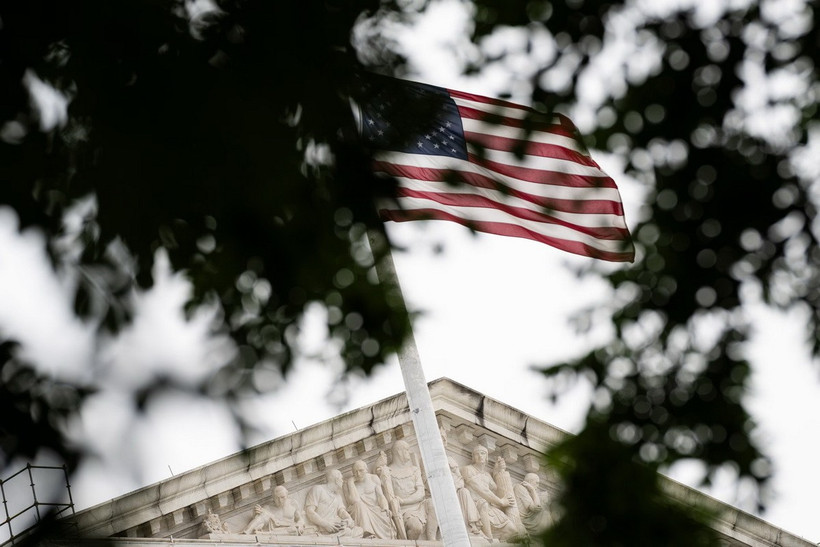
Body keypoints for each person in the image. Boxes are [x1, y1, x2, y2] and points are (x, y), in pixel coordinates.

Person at [376, 440, 437, 540]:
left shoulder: (414, 470)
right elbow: (384, 490)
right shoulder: (388, 472)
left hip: (419, 505)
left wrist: (404, 501)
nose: (409, 452)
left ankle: (432, 540)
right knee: (415, 526)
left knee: (432, 504)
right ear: (399, 452)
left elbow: (421, 493)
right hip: (404, 511)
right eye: (407, 450)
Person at [461, 445, 521, 541]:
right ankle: (489, 539)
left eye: (483, 453)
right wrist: (501, 502)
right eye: (476, 454)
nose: (480, 456)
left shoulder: (487, 475)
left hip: (490, 508)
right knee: (483, 503)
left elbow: (495, 490)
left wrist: (498, 471)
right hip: (475, 505)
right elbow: (481, 490)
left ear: (487, 457)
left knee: (513, 531)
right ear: (473, 457)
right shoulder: (467, 469)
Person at [344, 460, 396, 539]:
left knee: (384, 514)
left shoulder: (373, 478)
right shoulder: (348, 484)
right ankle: (367, 533)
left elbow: (380, 496)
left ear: (366, 469)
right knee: (359, 505)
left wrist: (385, 508)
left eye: (361, 470)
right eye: (355, 472)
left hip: (375, 510)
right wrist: (351, 482)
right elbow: (355, 500)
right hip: (360, 512)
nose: (358, 474)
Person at [304, 469, 364, 537]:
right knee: (348, 533)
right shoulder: (318, 489)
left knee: (359, 531)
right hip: (324, 528)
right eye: (341, 478)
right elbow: (309, 512)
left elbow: (341, 511)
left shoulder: (337, 496)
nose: (342, 481)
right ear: (336, 479)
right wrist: (326, 524)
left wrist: (348, 520)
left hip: (338, 527)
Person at [241, 485, 308, 536]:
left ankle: (264, 534)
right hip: (273, 527)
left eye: (282, 497)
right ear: (273, 498)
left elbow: (300, 519)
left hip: (287, 530)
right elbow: (259, 519)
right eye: (277, 498)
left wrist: (300, 525)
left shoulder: (293, 504)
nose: (280, 501)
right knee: (264, 515)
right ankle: (246, 532)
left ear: (287, 495)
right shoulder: (269, 507)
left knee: (293, 530)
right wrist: (256, 513)